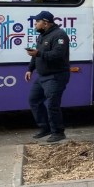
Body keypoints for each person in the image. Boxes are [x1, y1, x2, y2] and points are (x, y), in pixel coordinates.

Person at [24, 10, 71, 143]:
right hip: (42, 76)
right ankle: (45, 128)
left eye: (37, 22)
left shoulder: (59, 35)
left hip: (56, 76)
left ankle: (58, 132)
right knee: (34, 100)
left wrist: (38, 54)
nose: (35, 24)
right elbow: (36, 54)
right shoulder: (42, 35)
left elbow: (58, 55)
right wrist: (30, 69)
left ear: (45, 23)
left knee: (52, 105)